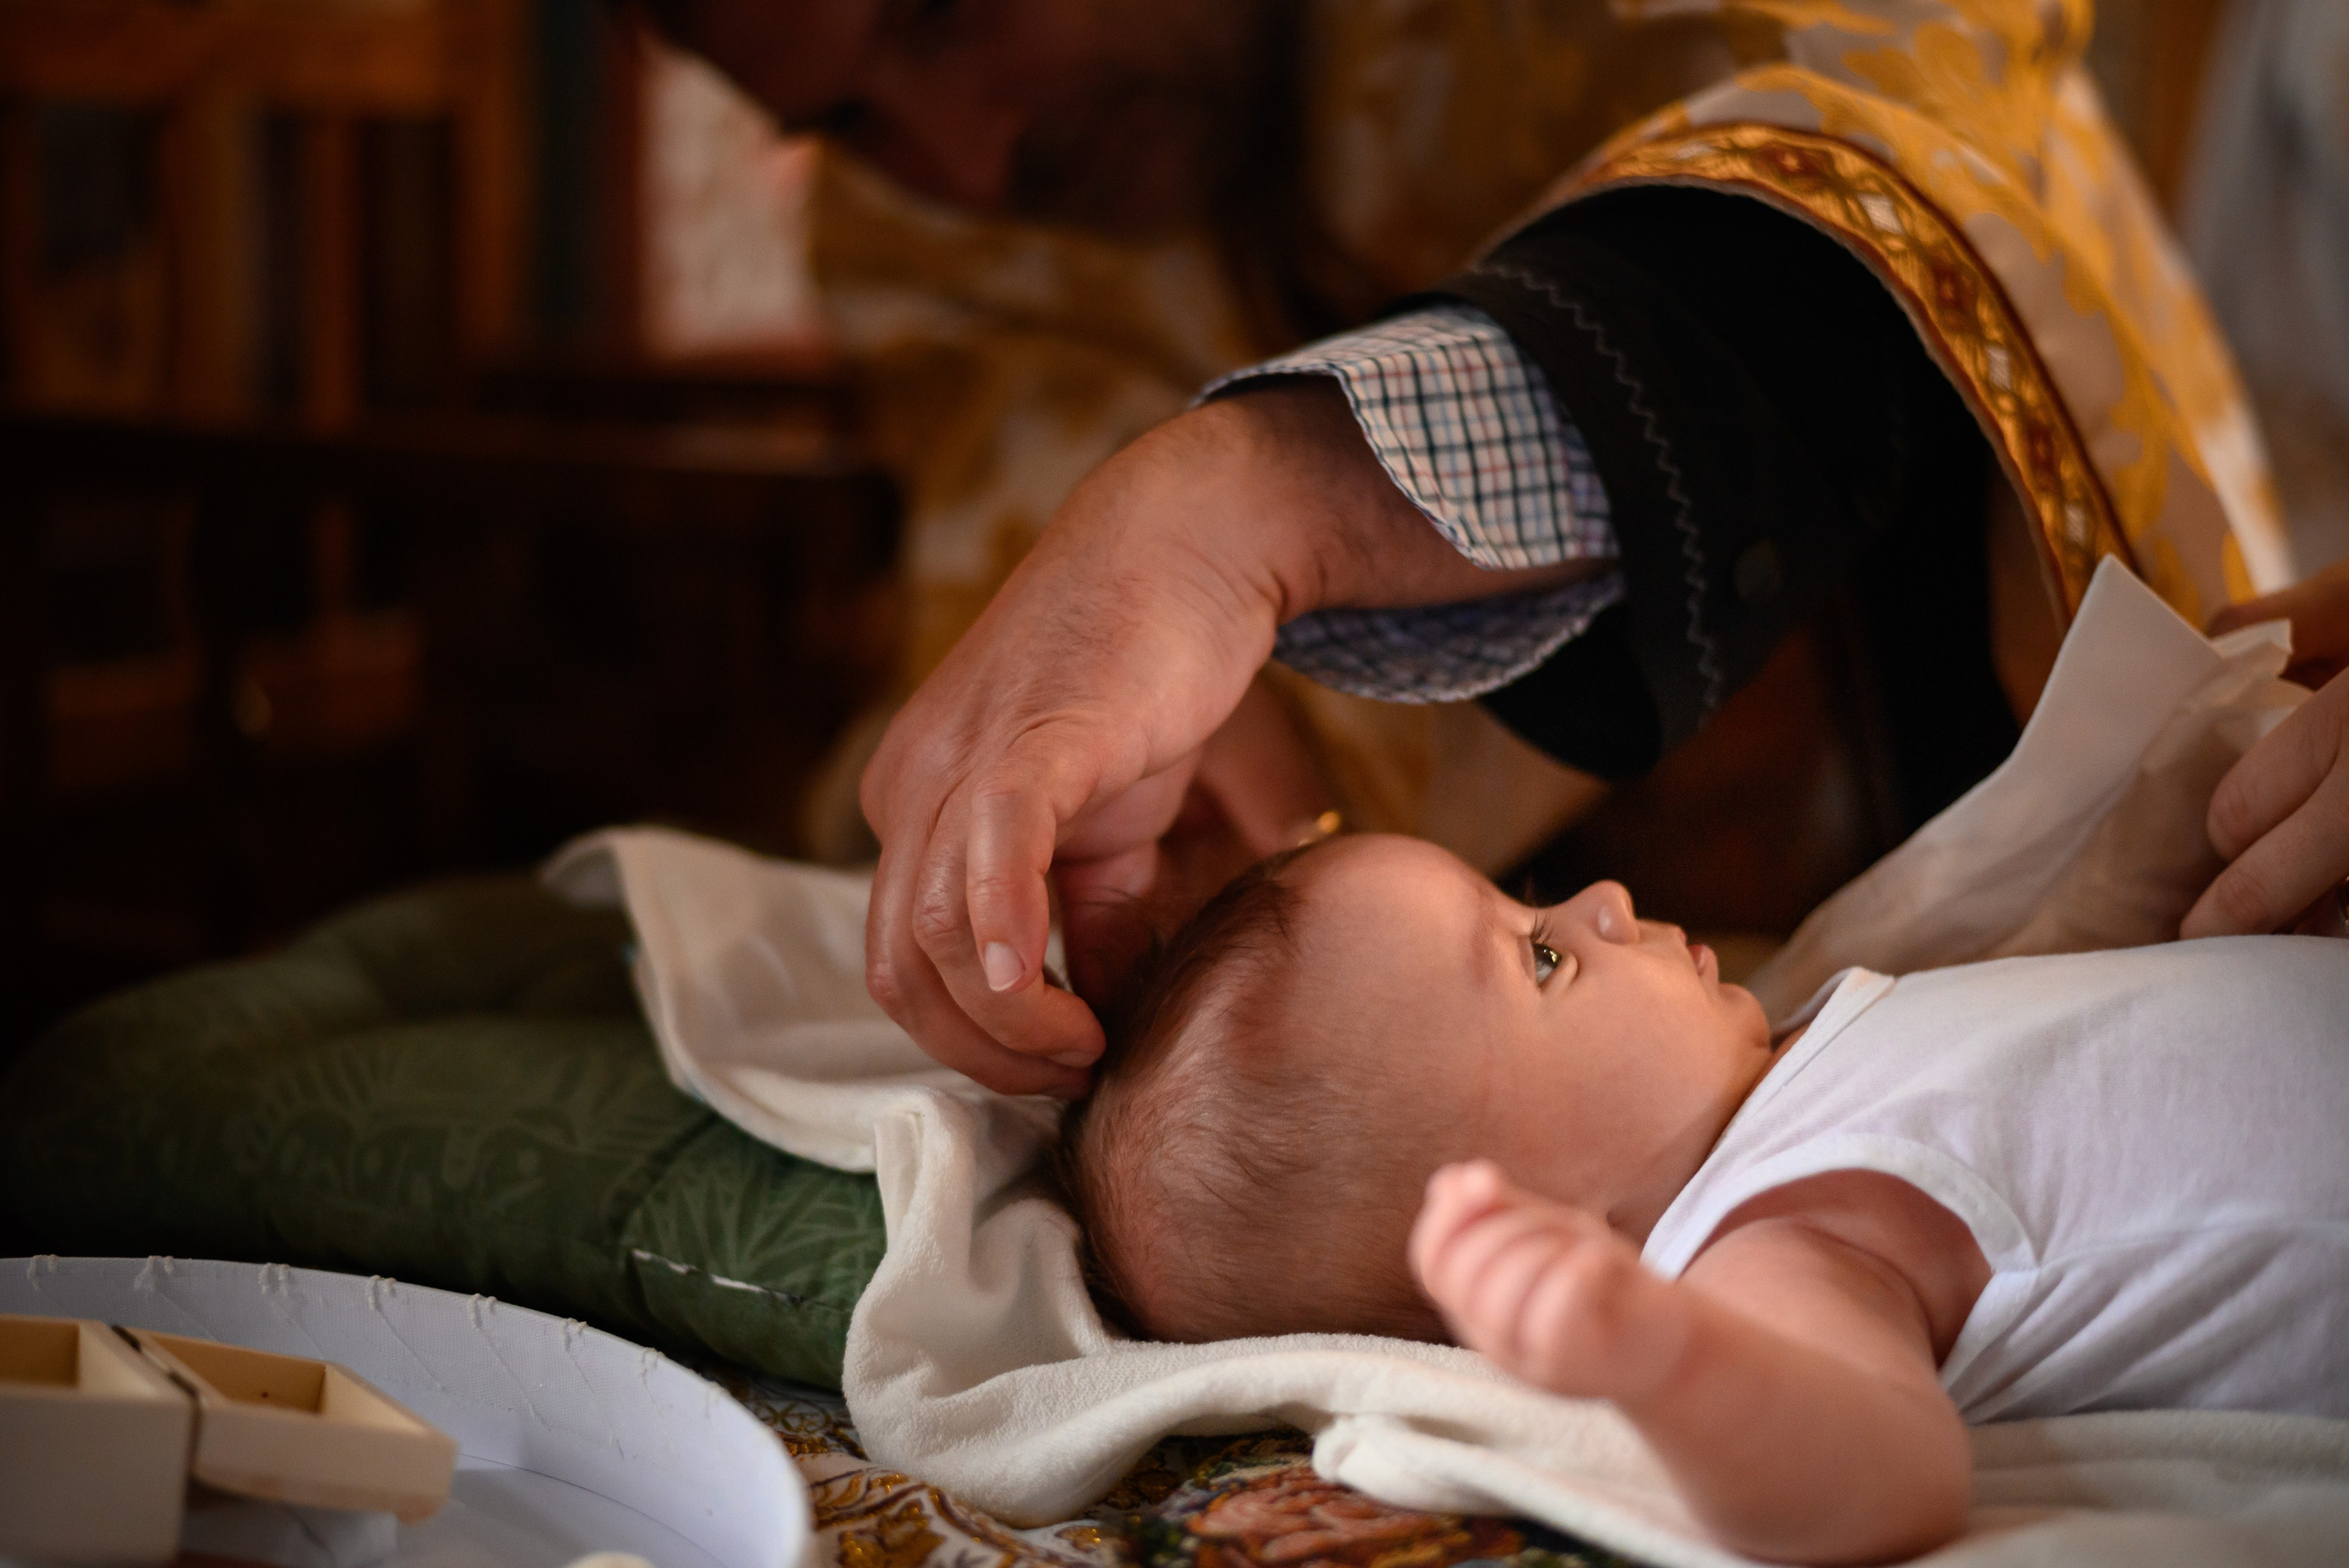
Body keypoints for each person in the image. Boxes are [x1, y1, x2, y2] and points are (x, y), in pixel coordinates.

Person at [632, 0, 2334, 1090]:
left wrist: (1263, 497)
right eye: (845, 121)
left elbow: (1893, 137)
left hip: (1995, 719)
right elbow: (1038, 631)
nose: (965, 156)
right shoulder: (945, 231)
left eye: (942, 12)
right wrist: (1138, 848)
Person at [1056, 833, 2349, 1563]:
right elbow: (1884, 1477)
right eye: (1542, 953)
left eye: (1529, 899)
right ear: (1547, 1219)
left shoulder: (1782, 1078)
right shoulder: (1771, 1238)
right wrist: (1667, 1357)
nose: (1605, 896)